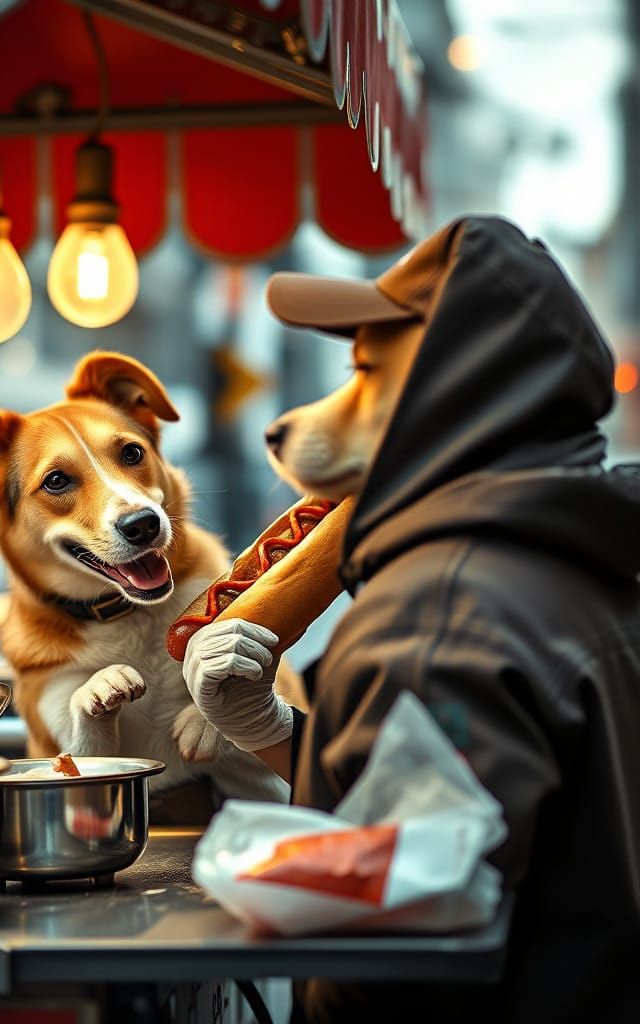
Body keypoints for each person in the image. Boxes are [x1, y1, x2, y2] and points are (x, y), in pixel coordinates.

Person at [183, 217, 640, 1022]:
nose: (300, 420)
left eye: (367, 373)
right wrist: (282, 733)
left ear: (453, 394)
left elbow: (394, 961)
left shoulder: (435, 614)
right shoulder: (577, 562)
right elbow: (455, 815)